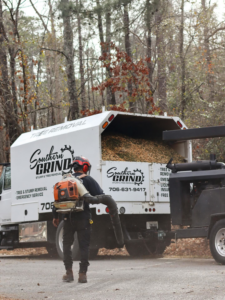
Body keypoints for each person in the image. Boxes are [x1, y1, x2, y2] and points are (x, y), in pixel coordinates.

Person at [52, 156, 104, 283]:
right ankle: (82, 274)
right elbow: (100, 195)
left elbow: (56, 199)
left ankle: (69, 273)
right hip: (83, 218)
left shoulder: (65, 180)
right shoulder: (88, 179)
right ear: (85, 167)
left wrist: (55, 216)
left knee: (66, 244)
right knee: (84, 246)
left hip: (67, 218)